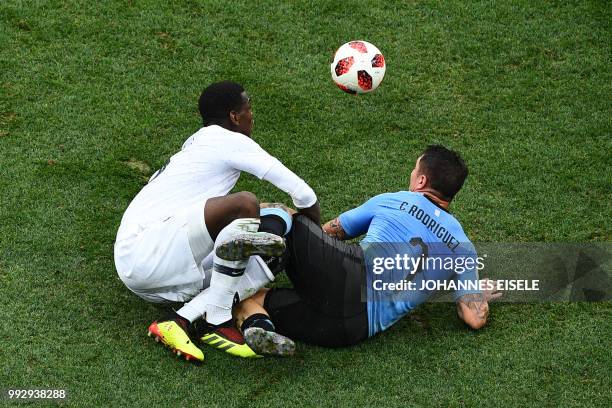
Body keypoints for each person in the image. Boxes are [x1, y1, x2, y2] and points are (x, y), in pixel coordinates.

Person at [114, 81, 320, 362]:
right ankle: (217, 320)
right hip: (147, 249)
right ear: (235, 117)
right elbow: (304, 194)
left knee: (278, 226)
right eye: (248, 109)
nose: (252, 116)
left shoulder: (196, 143)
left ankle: (181, 319)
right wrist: (320, 240)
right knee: (245, 204)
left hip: (154, 272)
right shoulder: (228, 140)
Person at [234, 145, 502, 349]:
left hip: (347, 277)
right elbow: (473, 318)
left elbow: (328, 233)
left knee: (287, 217)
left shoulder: (395, 200)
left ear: (421, 181)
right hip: (351, 330)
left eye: (414, 170)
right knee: (254, 299)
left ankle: (251, 259)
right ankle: (259, 324)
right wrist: (476, 294)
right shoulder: (462, 248)